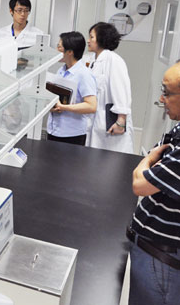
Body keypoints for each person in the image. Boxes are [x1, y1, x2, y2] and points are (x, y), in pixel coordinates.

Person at [128, 62, 180, 304]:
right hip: (154, 254)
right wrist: (150, 161)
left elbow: (140, 183)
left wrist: (147, 160)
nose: (161, 99)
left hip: (162, 262)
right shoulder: (177, 130)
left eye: (167, 93)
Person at [86, 22, 134, 154]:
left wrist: (121, 121)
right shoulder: (93, 60)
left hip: (111, 122)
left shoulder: (114, 60)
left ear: (101, 39)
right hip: (97, 120)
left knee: (112, 161)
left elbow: (121, 90)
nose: (88, 41)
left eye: (92, 37)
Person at [47, 31, 97, 146]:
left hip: (72, 135)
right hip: (54, 130)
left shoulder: (84, 74)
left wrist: (64, 107)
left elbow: (91, 106)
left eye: (59, 47)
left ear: (70, 52)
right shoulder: (61, 70)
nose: (56, 50)